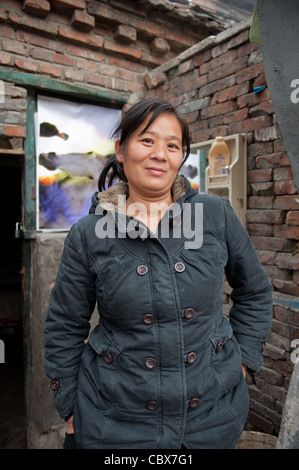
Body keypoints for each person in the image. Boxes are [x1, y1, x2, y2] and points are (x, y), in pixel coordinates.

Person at [44, 97, 273, 449]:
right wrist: (69, 404)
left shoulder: (215, 215)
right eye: (147, 140)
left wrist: (240, 362)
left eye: (172, 145)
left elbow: (255, 291)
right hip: (115, 420)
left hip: (208, 419)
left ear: (181, 157)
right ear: (121, 150)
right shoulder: (89, 234)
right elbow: (64, 324)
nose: (160, 154)